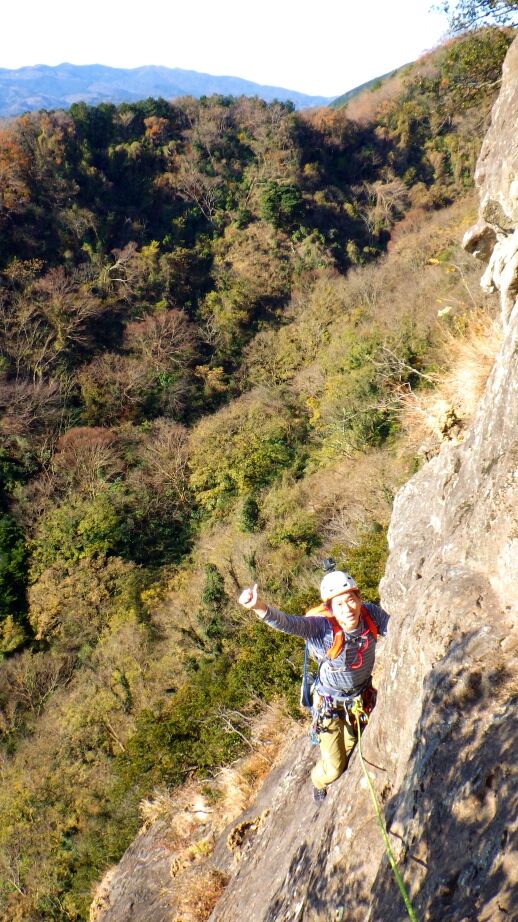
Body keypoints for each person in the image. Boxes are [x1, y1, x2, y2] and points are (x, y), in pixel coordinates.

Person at [238, 568, 389, 803]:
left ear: (359, 599)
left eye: (351, 600)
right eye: (339, 604)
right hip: (329, 704)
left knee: (352, 742)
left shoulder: (371, 615)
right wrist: (259, 607)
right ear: (330, 608)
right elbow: (289, 623)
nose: (348, 608)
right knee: (334, 768)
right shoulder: (322, 628)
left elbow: (400, 626)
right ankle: (318, 781)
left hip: (359, 697)